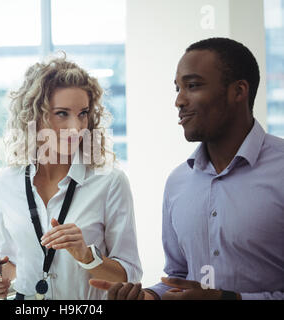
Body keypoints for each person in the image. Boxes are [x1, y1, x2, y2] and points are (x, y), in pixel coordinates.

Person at [90, 37, 284, 300]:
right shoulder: (178, 182)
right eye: (178, 89)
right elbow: (178, 277)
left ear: (238, 91)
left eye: (193, 86)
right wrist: (149, 296)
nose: (179, 101)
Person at [0, 55, 142, 300]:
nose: (76, 127)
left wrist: (86, 256)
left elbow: (129, 275)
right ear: (34, 117)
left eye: (83, 113)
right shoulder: (8, 181)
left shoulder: (110, 182)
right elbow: (10, 262)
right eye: (62, 113)